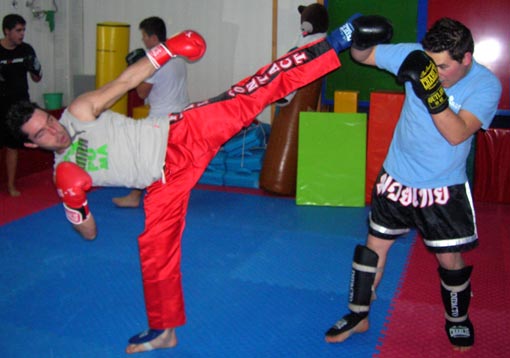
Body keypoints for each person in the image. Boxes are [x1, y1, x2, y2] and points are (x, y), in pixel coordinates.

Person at [7, 14, 384, 353]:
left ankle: (336, 40)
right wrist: (78, 203)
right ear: (30, 144)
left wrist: (166, 50)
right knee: (154, 254)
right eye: (42, 134)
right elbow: (89, 235)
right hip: (161, 183)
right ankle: (164, 331)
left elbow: (127, 80)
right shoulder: (62, 175)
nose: (54, 131)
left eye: (48, 120)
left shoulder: (78, 112)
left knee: (253, 90)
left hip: (180, 133)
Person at [324, 17, 502, 352]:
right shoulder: (415, 55)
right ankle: (358, 314)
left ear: (465, 59)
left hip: (442, 188)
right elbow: (364, 57)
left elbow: (457, 133)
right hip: (397, 177)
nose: (436, 71)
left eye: (444, 67)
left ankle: (457, 319)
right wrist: (360, 42)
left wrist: (431, 90)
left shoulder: (486, 85)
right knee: (372, 249)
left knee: (450, 261)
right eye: (430, 64)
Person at [112, 16, 191, 208]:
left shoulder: (155, 61)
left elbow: (141, 93)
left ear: (153, 38)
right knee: (171, 159)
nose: (143, 41)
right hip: (180, 114)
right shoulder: (177, 56)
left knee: (144, 157)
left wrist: (136, 69)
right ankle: (174, 196)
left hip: (160, 118)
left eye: (144, 37)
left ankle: (134, 197)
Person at [0, 14, 42, 196]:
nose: (22, 34)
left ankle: (10, 185)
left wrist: (35, 66)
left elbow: (37, 77)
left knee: (12, 145)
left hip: (18, 106)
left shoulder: (26, 50)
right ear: (7, 31)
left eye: (23, 30)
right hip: (0, 103)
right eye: (18, 30)